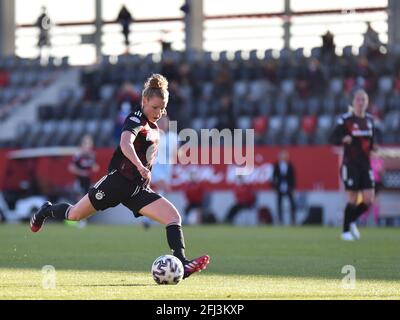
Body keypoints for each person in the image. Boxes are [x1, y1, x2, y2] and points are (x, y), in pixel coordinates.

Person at [30, 74, 210, 279]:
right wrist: (141, 167)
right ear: (144, 101)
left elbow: (148, 155)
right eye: (155, 107)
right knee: (74, 215)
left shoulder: (155, 128)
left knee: (173, 217)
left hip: (136, 189)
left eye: (163, 108)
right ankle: (45, 211)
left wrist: (146, 173)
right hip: (116, 183)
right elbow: (126, 144)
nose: (159, 112)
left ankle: (182, 263)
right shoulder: (135, 119)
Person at [329, 89, 377, 241]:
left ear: (367, 102)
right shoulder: (345, 120)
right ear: (353, 102)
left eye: (364, 99)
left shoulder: (370, 120)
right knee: (352, 199)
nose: (361, 102)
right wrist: (343, 139)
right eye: (358, 99)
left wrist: (373, 148)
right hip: (350, 165)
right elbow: (332, 138)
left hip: (365, 165)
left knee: (369, 200)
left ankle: (350, 221)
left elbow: (371, 142)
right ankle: (345, 232)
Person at [68, 135, 99, 201]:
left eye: (89, 143)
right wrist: (82, 172)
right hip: (79, 181)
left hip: (89, 181)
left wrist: (94, 167)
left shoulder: (92, 154)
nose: (88, 146)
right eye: (85, 143)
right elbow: (71, 167)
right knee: (80, 198)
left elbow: (93, 166)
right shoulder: (78, 154)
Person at [272, 151, 296, 225]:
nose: (283, 157)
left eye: (284, 156)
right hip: (280, 187)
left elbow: (293, 178)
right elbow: (273, 177)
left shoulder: (290, 165)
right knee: (279, 204)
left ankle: (293, 220)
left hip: (288, 187)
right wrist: (275, 188)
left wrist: (292, 188)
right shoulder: (276, 165)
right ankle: (280, 220)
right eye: (282, 156)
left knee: (292, 204)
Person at [360, 155, 384, 226]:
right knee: (367, 202)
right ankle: (362, 220)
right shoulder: (366, 161)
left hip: (376, 184)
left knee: (375, 202)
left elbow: (382, 173)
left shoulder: (380, 161)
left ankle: (376, 221)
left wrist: (380, 171)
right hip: (368, 183)